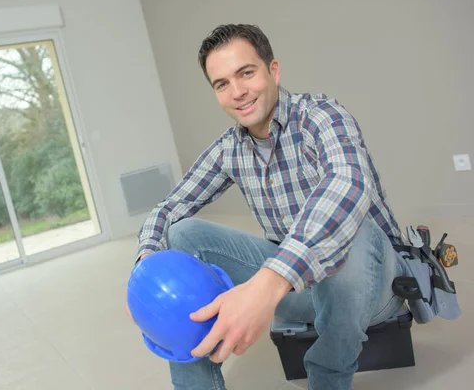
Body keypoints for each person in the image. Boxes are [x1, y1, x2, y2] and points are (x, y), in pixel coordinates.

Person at [127, 23, 406, 390]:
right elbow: (170, 207)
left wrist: (270, 280)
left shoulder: (320, 115)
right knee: (180, 234)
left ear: (273, 71)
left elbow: (347, 184)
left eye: (246, 73)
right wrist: (148, 263)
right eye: (222, 84)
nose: (238, 92)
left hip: (372, 289)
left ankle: (328, 382)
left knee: (352, 227)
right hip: (299, 289)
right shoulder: (229, 148)